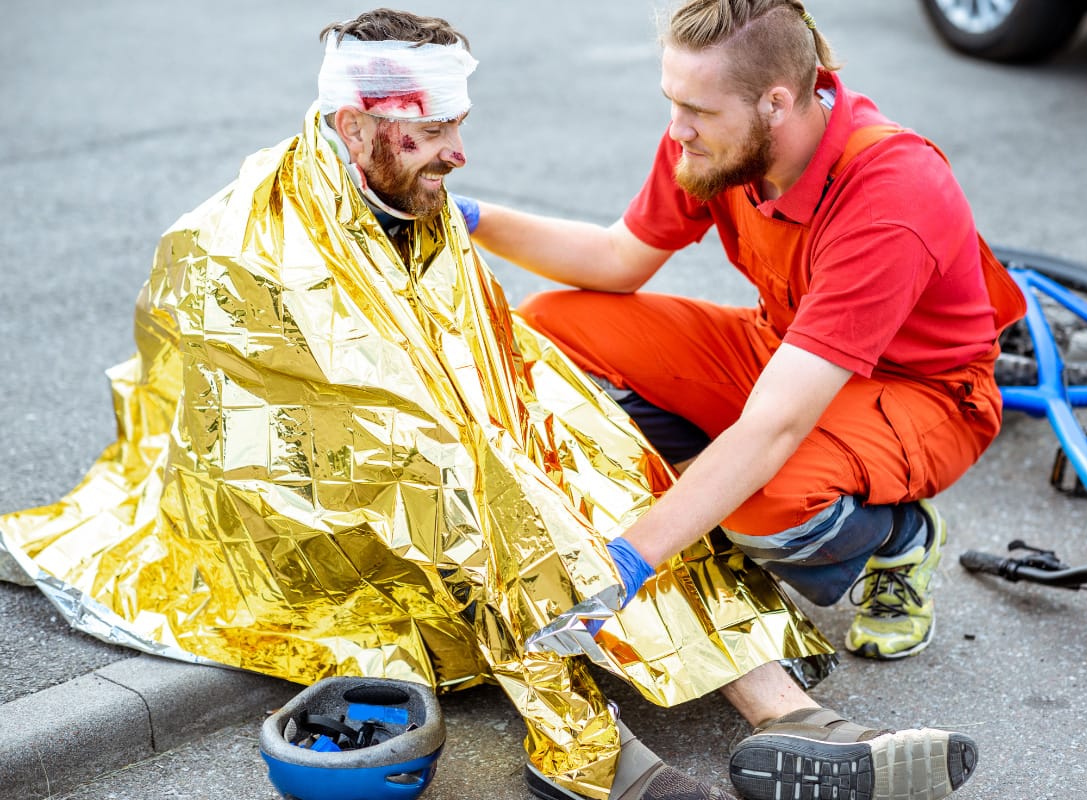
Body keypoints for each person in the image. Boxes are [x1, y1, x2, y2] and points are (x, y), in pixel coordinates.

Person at [0, 8, 847, 800]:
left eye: (459, 126)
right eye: (436, 131)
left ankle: (777, 706)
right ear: (352, 127)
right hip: (295, 499)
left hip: (416, 459)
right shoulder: (246, 251)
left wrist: (601, 496)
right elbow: (379, 438)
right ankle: (583, 745)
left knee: (595, 452)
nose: (458, 152)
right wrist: (530, 494)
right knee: (477, 493)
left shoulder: (410, 198)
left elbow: (494, 372)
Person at [457, 1, 1025, 798]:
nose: (676, 128)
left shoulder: (891, 190)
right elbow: (617, 260)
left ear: (777, 103)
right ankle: (698, 484)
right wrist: (467, 216)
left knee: (762, 504)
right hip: (786, 347)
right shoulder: (719, 144)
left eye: (695, 110)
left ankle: (898, 532)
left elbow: (774, 425)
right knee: (555, 324)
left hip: (919, 393)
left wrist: (631, 559)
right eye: (671, 102)